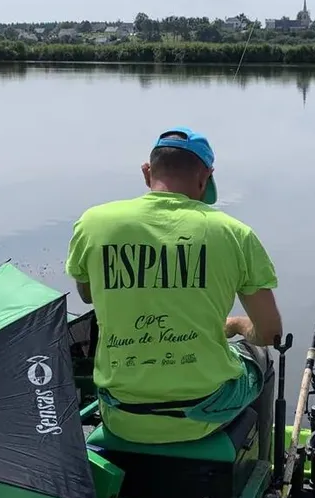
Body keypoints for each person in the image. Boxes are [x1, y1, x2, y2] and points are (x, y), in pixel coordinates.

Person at [65, 127, 283, 445]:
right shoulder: (235, 234)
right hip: (202, 414)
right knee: (260, 358)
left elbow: (87, 295)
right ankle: (265, 465)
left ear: (147, 171)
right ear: (205, 177)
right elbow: (270, 334)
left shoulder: (93, 223)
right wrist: (235, 324)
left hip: (121, 413)